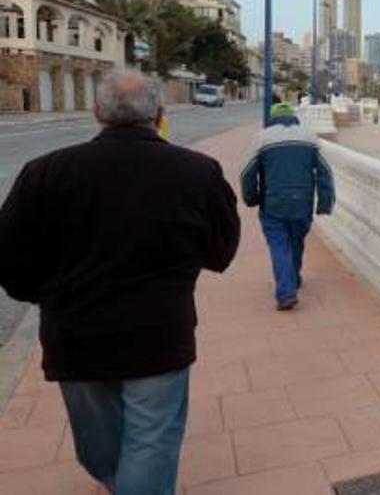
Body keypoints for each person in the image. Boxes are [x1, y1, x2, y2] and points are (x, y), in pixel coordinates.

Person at [0, 69, 240, 494]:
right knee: (149, 442)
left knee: (101, 447)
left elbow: (11, 261)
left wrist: (48, 297)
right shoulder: (197, 173)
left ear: (97, 113)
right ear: (160, 113)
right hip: (159, 336)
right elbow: (221, 252)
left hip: (75, 335)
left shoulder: (45, 173)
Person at [240, 103, 335, 310]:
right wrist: (325, 203)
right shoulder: (309, 137)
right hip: (303, 203)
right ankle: (293, 278)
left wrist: (251, 198)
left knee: (279, 245)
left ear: (272, 118)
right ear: (293, 117)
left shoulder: (262, 138)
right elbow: (325, 172)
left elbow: (247, 173)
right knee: (296, 242)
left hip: (272, 203)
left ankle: (286, 292)